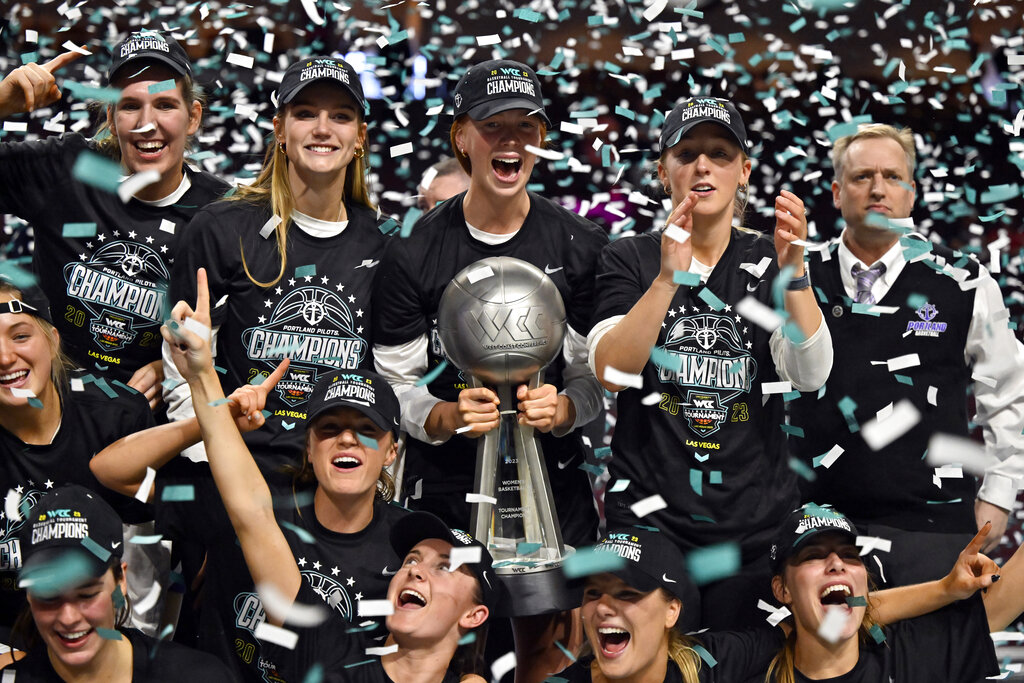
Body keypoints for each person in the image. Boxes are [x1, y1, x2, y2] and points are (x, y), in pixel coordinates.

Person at [371, 58, 609, 681]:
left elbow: (596, 380)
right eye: (492, 125)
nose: (511, 140)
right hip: (447, 481)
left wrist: (564, 408)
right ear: (461, 138)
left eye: (525, 127)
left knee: (549, 645)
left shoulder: (581, 245)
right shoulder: (414, 250)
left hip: (550, 486)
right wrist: (443, 414)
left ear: (543, 142)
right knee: (445, 649)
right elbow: (394, 383)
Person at [158, 282, 497, 682]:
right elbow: (251, 512)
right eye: (410, 561)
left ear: (474, 615)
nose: (415, 572)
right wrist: (203, 379)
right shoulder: (328, 650)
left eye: (443, 567)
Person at [91, 267, 412, 681]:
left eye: (367, 430)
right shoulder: (243, 498)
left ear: (391, 452)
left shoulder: (410, 548)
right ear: (309, 448)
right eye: (330, 429)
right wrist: (213, 420)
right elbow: (112, 470)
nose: (347, 441)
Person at [588, 96, 832, 630]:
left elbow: (810, 374)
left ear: (744, 171)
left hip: (753, 524)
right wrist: (665, 281)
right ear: (662, 169)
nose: (702, 166)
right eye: (687, 153)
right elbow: (611, 372)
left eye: (720, 153)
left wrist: (796, 277)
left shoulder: (771, 260)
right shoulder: (628, 257)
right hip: (651, 525)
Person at [787, 123, 1024, 585]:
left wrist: (998, 494)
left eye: (893, 177)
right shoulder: (797, 275)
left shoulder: (963, 281)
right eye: (862, 177)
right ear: (837, 192)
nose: (878, 188)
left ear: (912, 194)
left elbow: (1012, 391)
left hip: (933, 530)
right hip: (818, 532)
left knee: (936, 659)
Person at [165, 55, 390, 486]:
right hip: (236, 472)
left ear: (360, 137)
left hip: (339, 485)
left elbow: (390, 382)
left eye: (340, 116)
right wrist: (216, 469)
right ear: (280, 129)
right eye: (305, 114)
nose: (322, 128)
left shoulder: (386, 243)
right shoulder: (221, 227)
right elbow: (181, 377)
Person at [0, 31, 229, 406]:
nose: (146, 124)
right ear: (110, 117)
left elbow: (242, 338)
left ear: (193, 117)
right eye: (129, 106)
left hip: (149, 432)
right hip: (44, 411)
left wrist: (175, 365)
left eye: (166, 105)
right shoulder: (66, 169)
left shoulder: (223, 212)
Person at [557, 520, 1002, 683]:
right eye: (592, 592)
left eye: (628, 593)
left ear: (673, 611)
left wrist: (946, 589)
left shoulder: (718, 663)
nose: (604, 607)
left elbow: (843, 614)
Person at [0, 279, 154, 640]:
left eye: (20, 336)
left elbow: (149, 552)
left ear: (53, 340)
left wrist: (138, 653)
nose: (5, 357)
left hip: (107, 635)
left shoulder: (117, 415)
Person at [759, 503, 1024, 682]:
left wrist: (946, 588)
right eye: (813, 556)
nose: (837, 563)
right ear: (782, 589)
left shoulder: (904, 655)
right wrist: (943, 589)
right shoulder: (747, 661)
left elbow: (1007, 597)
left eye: (850, 555)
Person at [0, 484, 230, 681]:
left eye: (87, 594)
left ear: (120, 581)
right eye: (49, 596)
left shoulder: (196, 676)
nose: (68, 618)